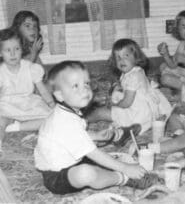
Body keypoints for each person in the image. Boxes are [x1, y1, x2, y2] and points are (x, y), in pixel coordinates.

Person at [34, 60, 157, 195]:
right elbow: (92, 152)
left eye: (86, 83)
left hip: (69, 159)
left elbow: (71, 136)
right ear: (60, 95)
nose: (85, 89)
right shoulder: (65, 122)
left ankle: (112, 168)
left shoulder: (66, 112)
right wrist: (125, 168)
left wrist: (95, 136)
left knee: (103, 160)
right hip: (57, 175)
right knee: (87, 172)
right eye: (75, 86)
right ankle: (122, 178)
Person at [86, 39, 172, 134]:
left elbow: (127, 103)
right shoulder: (136, 71)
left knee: (100, 112)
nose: (121, 60)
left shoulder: (133, 76)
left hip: (137, 114)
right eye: (118, 57)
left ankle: (80, 120)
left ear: (136, 57)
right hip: (145, 112)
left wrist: (114, 105)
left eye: (126, 55)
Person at [0, 28, 54, 152]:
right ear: (1, 53)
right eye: (8, 50)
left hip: (28, 102)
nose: (13, 54)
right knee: (0, 121)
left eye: (16, 49)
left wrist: (52, 104)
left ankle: (17, 127)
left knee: (51, 119)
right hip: (7, 104)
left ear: (22, 50)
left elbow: (43, 90)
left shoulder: (30, 68)